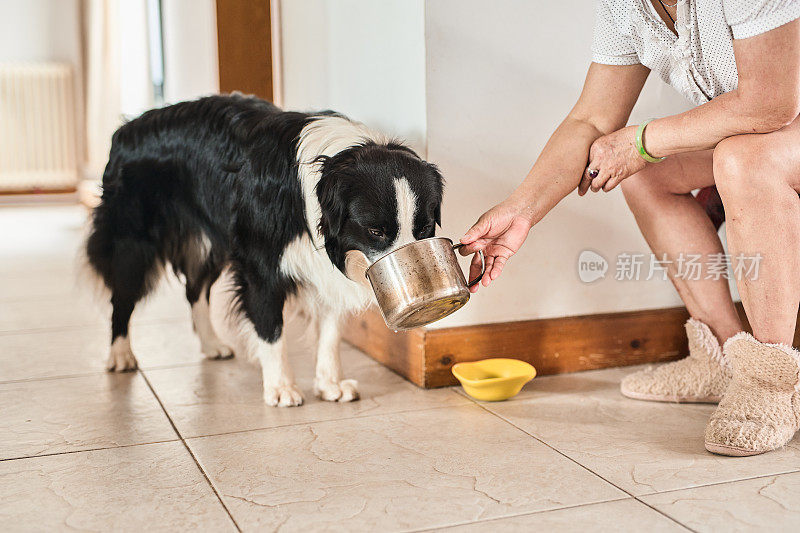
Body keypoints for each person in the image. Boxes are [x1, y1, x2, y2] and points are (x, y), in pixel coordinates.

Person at [460, 0, 800, 456]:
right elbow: (591, 120)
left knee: (742, 160)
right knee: (646, 172)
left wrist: (642, 141)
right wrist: (520, 211)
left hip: (778, 124)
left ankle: (770, 382)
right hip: (773, 132)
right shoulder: (626, 6)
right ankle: (723, 355)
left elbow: (770, 104)